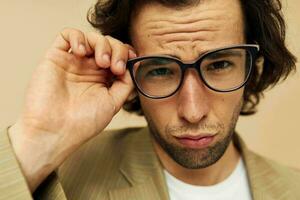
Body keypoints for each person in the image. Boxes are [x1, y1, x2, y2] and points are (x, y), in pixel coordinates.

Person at [1, 0, 299, 199]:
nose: (193, 112)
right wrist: (39, 139)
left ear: (254, 65)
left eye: (219, 65)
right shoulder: (62, 172)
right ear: (124, 70)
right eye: (160, 70)